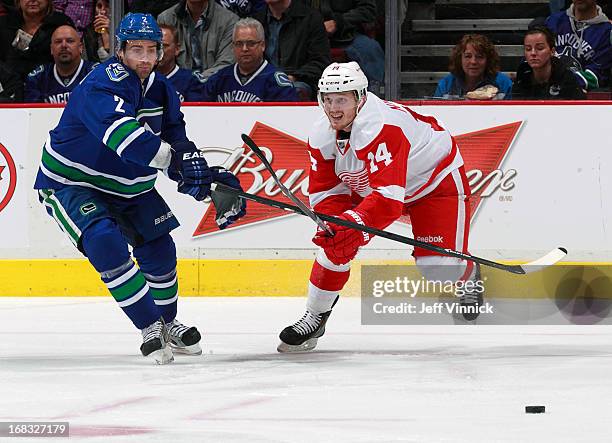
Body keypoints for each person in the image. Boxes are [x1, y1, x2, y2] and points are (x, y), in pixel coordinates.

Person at [33, 13, 246, 364]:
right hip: (73, 182)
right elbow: (125, 138)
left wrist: (200, 175)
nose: (144, 59)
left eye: (151, 50)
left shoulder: (161, 88)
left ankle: (167, 321)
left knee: (160, 248)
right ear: (120, 51)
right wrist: (178, 163)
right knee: (104, 241)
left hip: (130, 186)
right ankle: (149, 325)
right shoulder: (102, 83)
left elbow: (176, 135)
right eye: (136, 50)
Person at [277, 62, 483, 353]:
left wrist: (354, 227)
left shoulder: (381, 126)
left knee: (437, 269)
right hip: (378, 187)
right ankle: (315, 316)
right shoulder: (321, 134)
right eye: (327, 99)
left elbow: (387, 202)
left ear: (360, 98)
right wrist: (337, 228)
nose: (333, 108)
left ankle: (468, 274)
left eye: (342, 99)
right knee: (336, 243)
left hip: (433, 185)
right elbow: (326, 191)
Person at [201, 18, 298, 102]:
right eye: (239, 44)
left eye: (251, 43)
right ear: (232, 47)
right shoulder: (219, 79)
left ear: (263, 45)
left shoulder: (276, 82)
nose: (244, 49)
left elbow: (286, 119)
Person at [253, 0, 331, 100]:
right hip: (263, 81)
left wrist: (293, 77)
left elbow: (320, 61)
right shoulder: (256, 21)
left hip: (299, 81)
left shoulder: (311, 19)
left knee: (293, 90)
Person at [311, 0, 384, 95]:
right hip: (309, 36)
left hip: (346, 35)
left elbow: (368, 10)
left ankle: (373, 95)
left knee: (370, 48)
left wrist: (338, 22)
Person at [157, 0, 238, 81]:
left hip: (216, 86)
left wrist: (194, 83)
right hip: (175, 86)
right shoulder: (166, 19)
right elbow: (162, 63)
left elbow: (226, 64)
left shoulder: (230, 21)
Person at [545, 0, 612, 90]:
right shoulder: (553, 21)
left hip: (581, 98)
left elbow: (596, 77)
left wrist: (561, 81)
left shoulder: (607, 33)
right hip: (545, 93)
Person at [0, 0, 73, 81]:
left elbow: (70, 63)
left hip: (51, 86)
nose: (33, 0)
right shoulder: (3, 24)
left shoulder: (61, 23)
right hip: (9, 86)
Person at [25, 25, 97, 103]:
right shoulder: (38, 78)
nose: (64, 45)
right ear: (51, 49)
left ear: (80, 47)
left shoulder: (96, 74)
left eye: (70, 41)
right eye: (58, 42)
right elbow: (32, 113)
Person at [513, 27, 586, 99]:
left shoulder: (567, 78)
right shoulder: (521, 78)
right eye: (528, 49)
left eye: (540, 48)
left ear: (552, 51)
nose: (533, 53)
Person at [434, 34, 513, 100]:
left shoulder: (504, 83)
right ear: (459, 58)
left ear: (488, 60)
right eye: (468, 56)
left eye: (479, 56)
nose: (473, 62)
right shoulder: (446, 84)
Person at [156, 24, 206, 102]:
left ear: (177, 49)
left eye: (164, 46)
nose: (159, 51)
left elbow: (198, 112)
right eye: (155, 46)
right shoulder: (141, 78)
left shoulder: (192, 81)